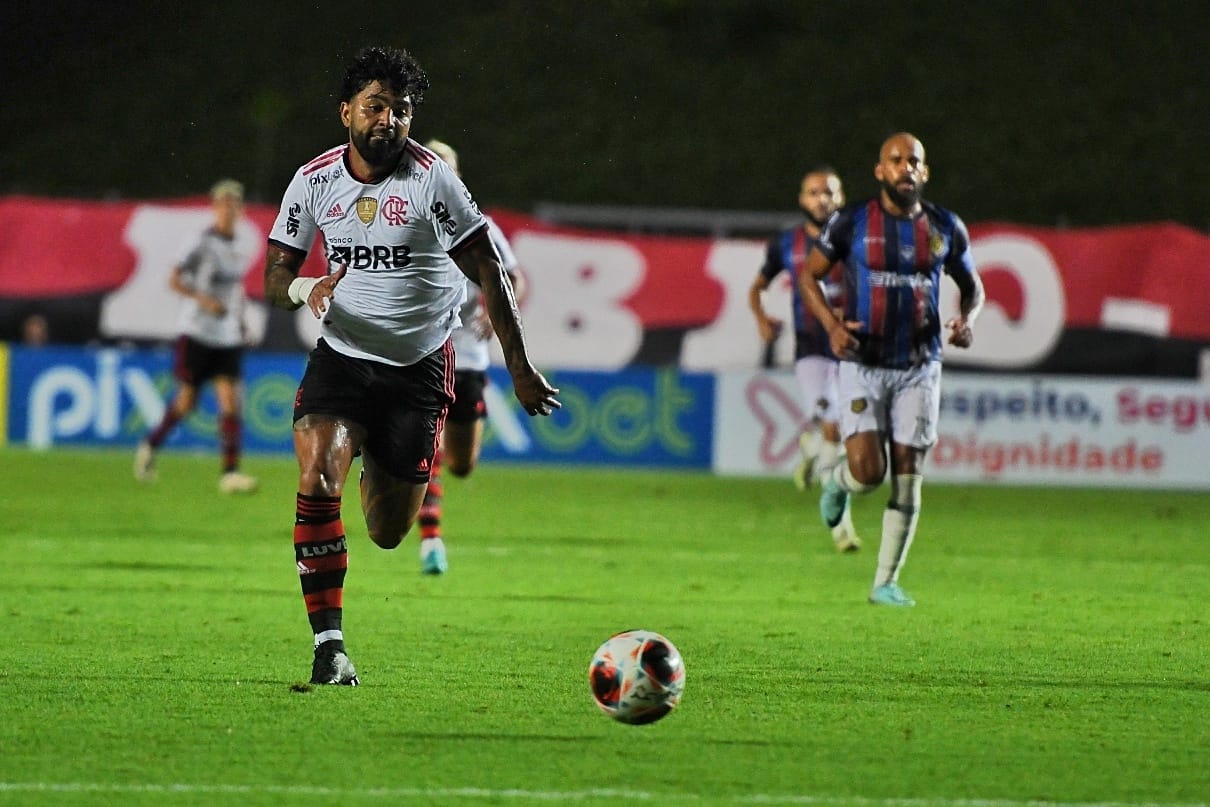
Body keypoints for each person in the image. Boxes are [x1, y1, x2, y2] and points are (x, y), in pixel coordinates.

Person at [263, 46, 560, 686]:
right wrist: (302, 289)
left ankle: (377, 457)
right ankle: (330, 648)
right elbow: (275, 272)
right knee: (316, 480)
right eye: (376, 107)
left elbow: (488, 268)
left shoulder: (432, 180)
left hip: (418, 370)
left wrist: (520, 365)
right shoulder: (313, 181)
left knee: (388, 531)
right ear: (346, 113)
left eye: (400, 110)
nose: (389, 120)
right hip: (341, 361)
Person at [798, 132, 984, 607]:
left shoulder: (945, 226)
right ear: (880, 170)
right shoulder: (852, 221)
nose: (905, 168)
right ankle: (839, 484)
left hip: (921, 365)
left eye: (914, 161)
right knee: (868, 473)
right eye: (895, 160)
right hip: (862, 361)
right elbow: (809, 275)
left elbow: (973, 285)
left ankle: (886, 582)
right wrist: (832, 326)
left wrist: (969, 320)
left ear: (924, 172)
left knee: (909, 471)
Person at [415, 138, 529, 575]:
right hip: (423, 354)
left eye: (447, 168)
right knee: (429, 449)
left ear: (457, 176)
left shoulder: (478, 224)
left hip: (468, 358)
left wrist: (495, 312)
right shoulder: (409, 220)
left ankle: (428, 462)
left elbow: (513, 278)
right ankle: (431, 542)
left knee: (461, 463)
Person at [748, 166, 861, 553]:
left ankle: (812, 452)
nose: (821, 199)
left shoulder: (858, 239)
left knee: (840, 430)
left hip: (850, 347)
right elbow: (757, 288)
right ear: (802, 199)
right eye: (813, 193)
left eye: (828, 192)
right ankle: (839, 522)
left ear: (840, 198)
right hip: (811, 348)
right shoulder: (787, 243)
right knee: (835, 426)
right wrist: (762, 318)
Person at [134, 179, 259, 494]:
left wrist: (241, 321)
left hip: (227, 335)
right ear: (214, 207)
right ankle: (150, 445)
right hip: (198, 332)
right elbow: (174, 280)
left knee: (231, 403)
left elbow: (235, 290)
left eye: (234, 203)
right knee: (187, 402)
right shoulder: (199, 242)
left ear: (240, 209)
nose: (229, 209)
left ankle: (230, 472)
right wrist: (205, 301)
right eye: (224, 203)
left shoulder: (239, 247)